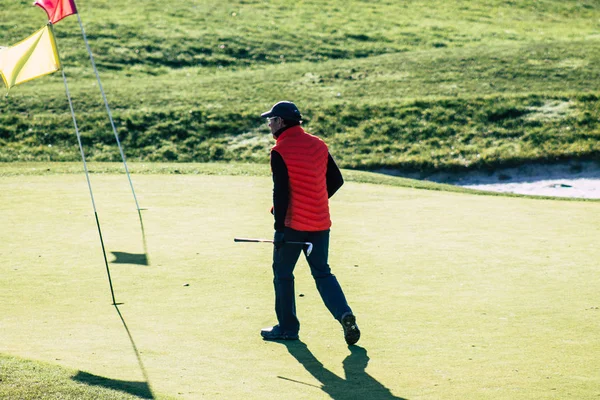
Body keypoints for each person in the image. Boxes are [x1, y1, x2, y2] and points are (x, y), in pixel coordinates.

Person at [259, 100, 360, 345]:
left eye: (271, 120)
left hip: (293, 226)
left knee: (283, 273)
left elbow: (280, 192)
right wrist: (313, 200)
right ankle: (344, 314)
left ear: (281, 122)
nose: (269, 124)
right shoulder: (318, 144)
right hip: (320, 224)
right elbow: (336, 180)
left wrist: (279, 229)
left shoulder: (280, 150)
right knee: (323, 273)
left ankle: (287, 328)